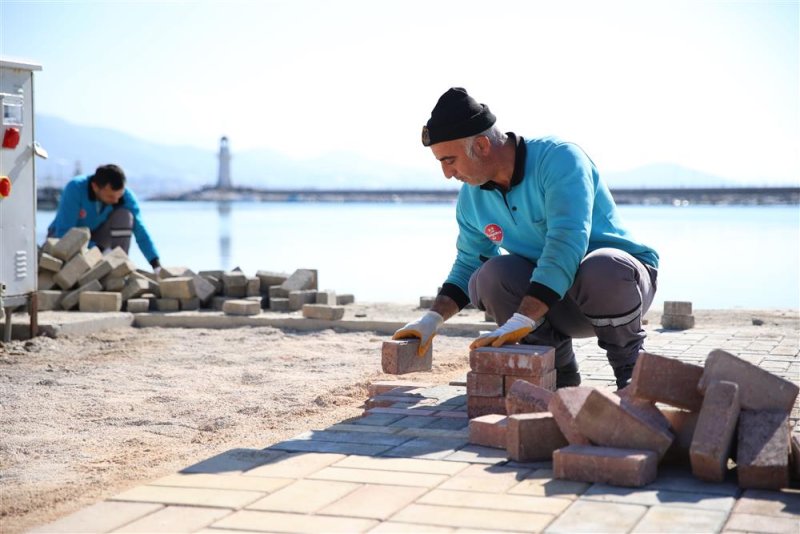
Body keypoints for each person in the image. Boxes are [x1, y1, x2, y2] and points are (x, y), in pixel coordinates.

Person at [393, 87, 659, 390]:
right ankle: (556, 375)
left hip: (618, 288)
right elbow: (469, 262)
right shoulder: (472, 199)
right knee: (491, 276)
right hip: (553, 302)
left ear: (481, 145)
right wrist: (431, 321)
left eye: (450, 160)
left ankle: (631, 372)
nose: (446, 174)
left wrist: (523, 319)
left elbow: (566, 243)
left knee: (602, 267)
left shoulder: (559, 159)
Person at [47, 164, 161, 272]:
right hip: (62, 236)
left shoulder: (125, 196)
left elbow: (141, 231)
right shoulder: (75, 188)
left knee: (124, 216)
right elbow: (64, 232)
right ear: (95, 187)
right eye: (111, 196)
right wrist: (99, 250)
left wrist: (156, 264)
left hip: (96, 236)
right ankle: (106, 259)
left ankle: (120, 264)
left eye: (119, 196)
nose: (116, 201)